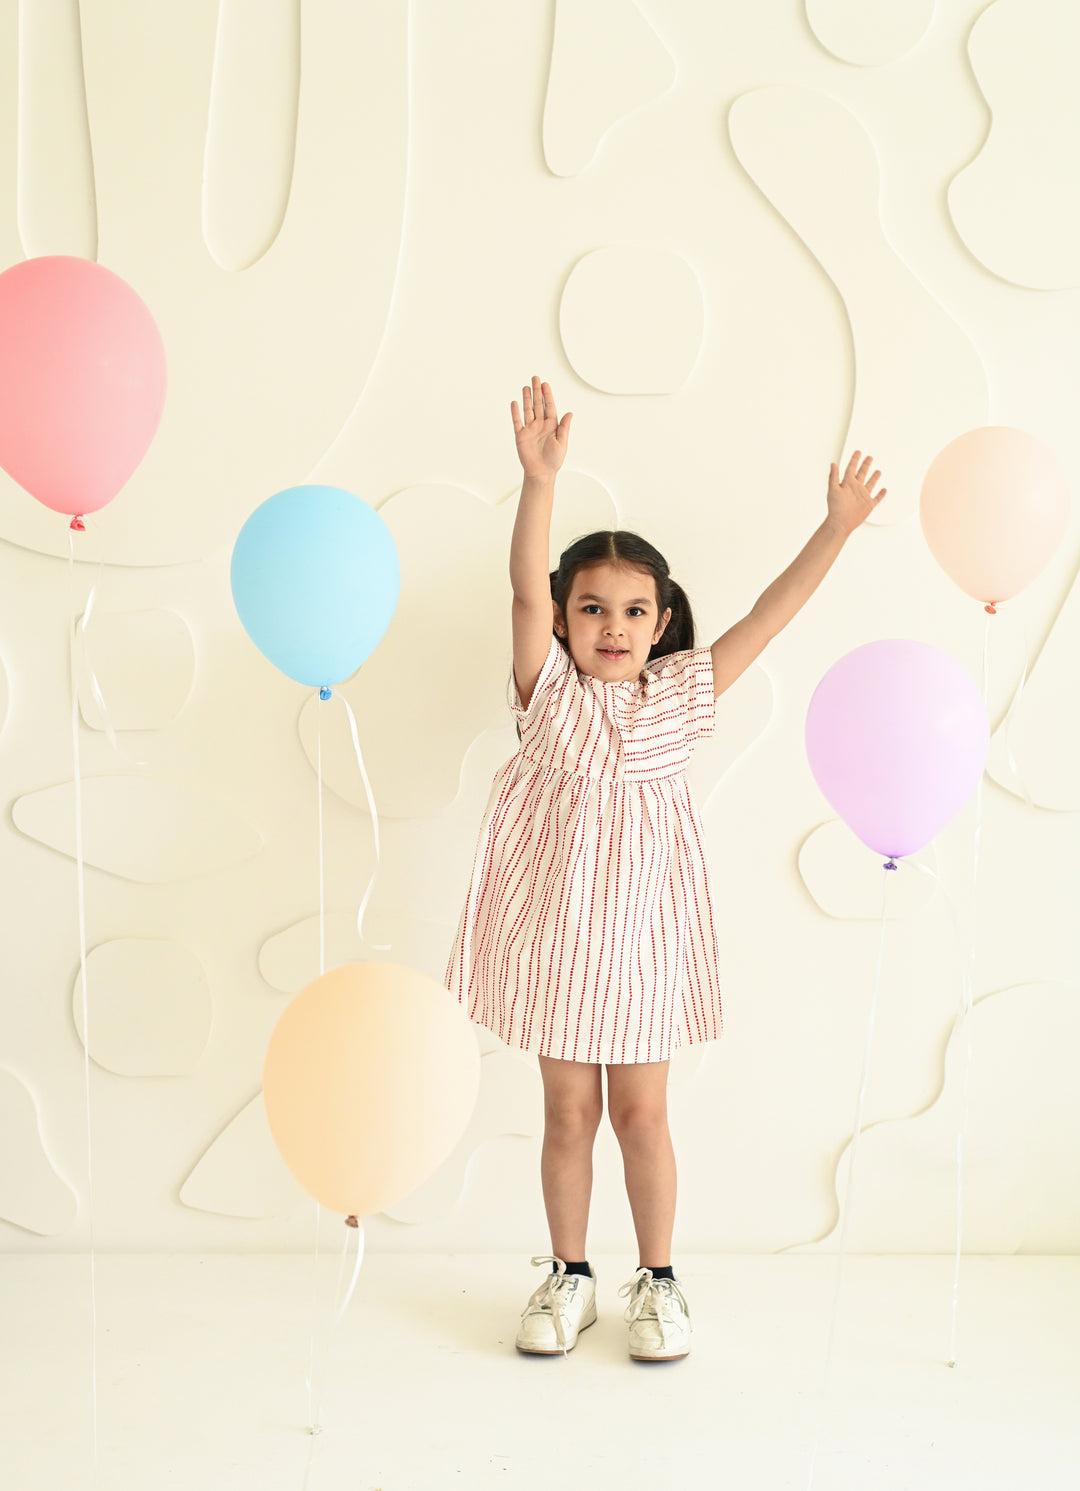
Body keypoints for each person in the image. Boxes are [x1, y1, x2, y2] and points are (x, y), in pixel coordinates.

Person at [445, 376, 886, 1362]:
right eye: (591, 607)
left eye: (634, 610)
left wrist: (837, 529)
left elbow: (771, 618)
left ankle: (659, 1280)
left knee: (642, 1112)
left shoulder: (681, 696)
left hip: (643, 943)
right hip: (558, 937)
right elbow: (520, 586)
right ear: (563, 620)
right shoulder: (546, 693)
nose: (612, 624)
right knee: (568, 1110)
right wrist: (538, 483)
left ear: (660, 619)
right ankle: (566, 1277)